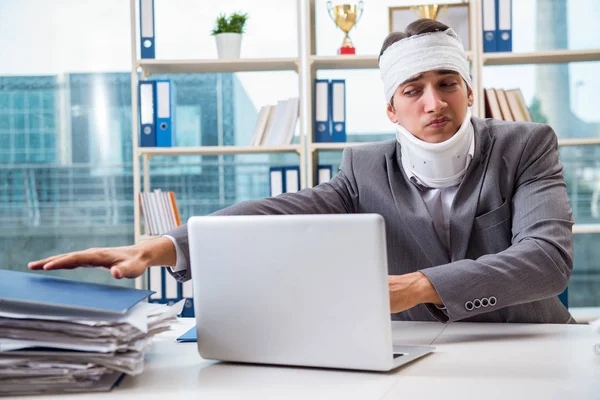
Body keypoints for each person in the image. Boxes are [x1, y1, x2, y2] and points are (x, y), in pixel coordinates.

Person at [29, 19, 575, 324]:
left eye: (447, 83)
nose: (433, 102)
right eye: (414, 90)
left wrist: (418, 286)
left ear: (469, 90)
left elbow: (546, 262)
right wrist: (170, 245)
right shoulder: (364, 167)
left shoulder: (526, 144)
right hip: (418, 356)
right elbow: (275, 212)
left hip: (527, 342)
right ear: (392, 109)